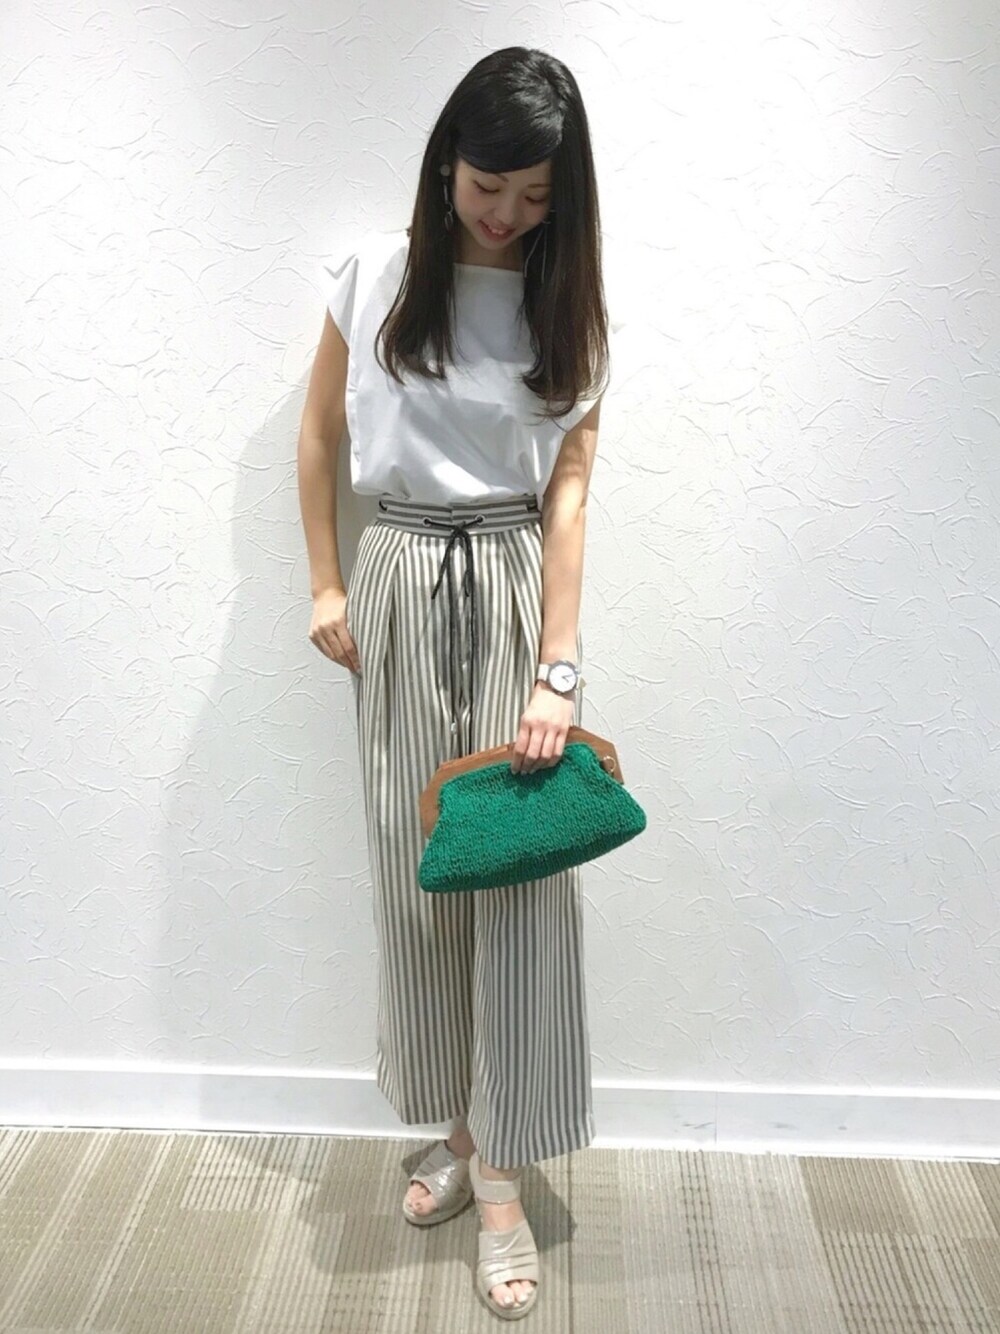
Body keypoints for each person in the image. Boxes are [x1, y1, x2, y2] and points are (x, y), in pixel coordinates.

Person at [297, 45, 610, 1320]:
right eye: (490, 186)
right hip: (398, 575)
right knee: (418, 863)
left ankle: (501, 1178)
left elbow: (570, 489)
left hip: (514, 574)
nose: (507, 216)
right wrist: (326, 583)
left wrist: (558, 667)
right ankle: (459, 1124)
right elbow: (320, 433)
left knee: (521, 886)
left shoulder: (566, 303)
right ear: (446, 165)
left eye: (536, 197)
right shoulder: (374, 274)